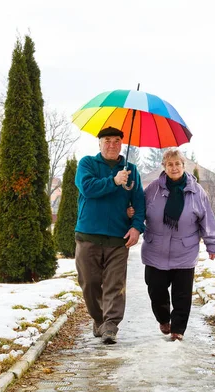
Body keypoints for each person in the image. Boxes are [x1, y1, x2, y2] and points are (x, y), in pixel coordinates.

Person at [141, 148, 215, 341]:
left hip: (184, 251)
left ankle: (178, 330)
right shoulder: (153, 189)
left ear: (184, 166)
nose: (174, 167)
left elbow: (207, 220)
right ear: (164, 167)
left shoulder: (196, 192)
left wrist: (213, 244)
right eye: (170, 164)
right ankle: (163, 319)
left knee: (182, 295)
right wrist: (130, 215)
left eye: (178, 164)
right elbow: (138, 210)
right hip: (155, 250)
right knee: (156, 291)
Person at [74, 126, 145, 345]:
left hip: (118, 238)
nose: (112, 145)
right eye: (107, 140)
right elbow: (87, 188)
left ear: (122, 144)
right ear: (99, 143)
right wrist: (113, 181)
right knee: (89, 283)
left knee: (115, 284)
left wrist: (136, 227)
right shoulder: (87, 164)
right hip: (88, 236)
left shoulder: (131, 170)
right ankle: (99, 319)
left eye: (116, 141)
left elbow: (139, 203)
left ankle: (111, 325)